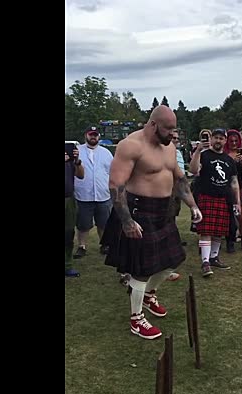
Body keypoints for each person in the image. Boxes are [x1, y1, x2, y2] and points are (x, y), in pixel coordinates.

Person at [101, 106, 203, 340]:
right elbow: (116, 185)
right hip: (139, 211)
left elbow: (180, 179)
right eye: (168, 129)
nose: (172, 134)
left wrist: (193, 205)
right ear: (153, 124)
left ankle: (148, 295)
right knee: (142, 269)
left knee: (173, 261)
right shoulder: (131, 145)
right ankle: (136, 319)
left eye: (174, 129)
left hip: (163, 211)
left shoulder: (169, 147)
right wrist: (127, 221)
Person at [189, 128, 241, 277]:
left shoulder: (229, 160)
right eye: (216, 138)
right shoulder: (204, 155)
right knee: (206, 231)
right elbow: (193, 170)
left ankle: (214, 257)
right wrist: (198, 151)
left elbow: (234, 182)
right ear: (211, 139)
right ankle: (205, 262)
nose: (218, 140)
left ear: (225, 141)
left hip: (223, 198)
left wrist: (237, 201)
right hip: (207, 196)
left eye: (221, 138)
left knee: (219, 231)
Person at [74, 126, 114, 258]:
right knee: (83, 224)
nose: (93, 137)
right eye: (90, 134)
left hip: (103, 195)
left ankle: (104, 245)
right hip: (83, 194)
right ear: (86, 135)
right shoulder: (77, 151)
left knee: (103, 223)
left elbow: (111, 172)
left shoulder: (106, 153)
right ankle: (82, 246)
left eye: (95, 135)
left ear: (99, 136)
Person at [224, 130, 242, 253]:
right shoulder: (224, 154)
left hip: (240, 187)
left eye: (236, 141)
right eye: (231, 141)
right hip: (226, 188)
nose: (234, 143)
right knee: (228, 218)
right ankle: (230, 242)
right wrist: (231, 161)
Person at [167, 130, 186, 282]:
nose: (175, 140)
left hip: (175, 194)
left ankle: (166, 265)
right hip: (162, 194)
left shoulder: (178, 153)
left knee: (171, 224)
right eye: (173, 138)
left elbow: (182, 175)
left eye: (177, 139)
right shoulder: (160, 151)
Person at [65, 144, 85, 277]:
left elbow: (81, 175)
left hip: (69, 199)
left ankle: (67, 265)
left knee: (68, 233)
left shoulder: (69, 157)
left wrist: (77, 161)